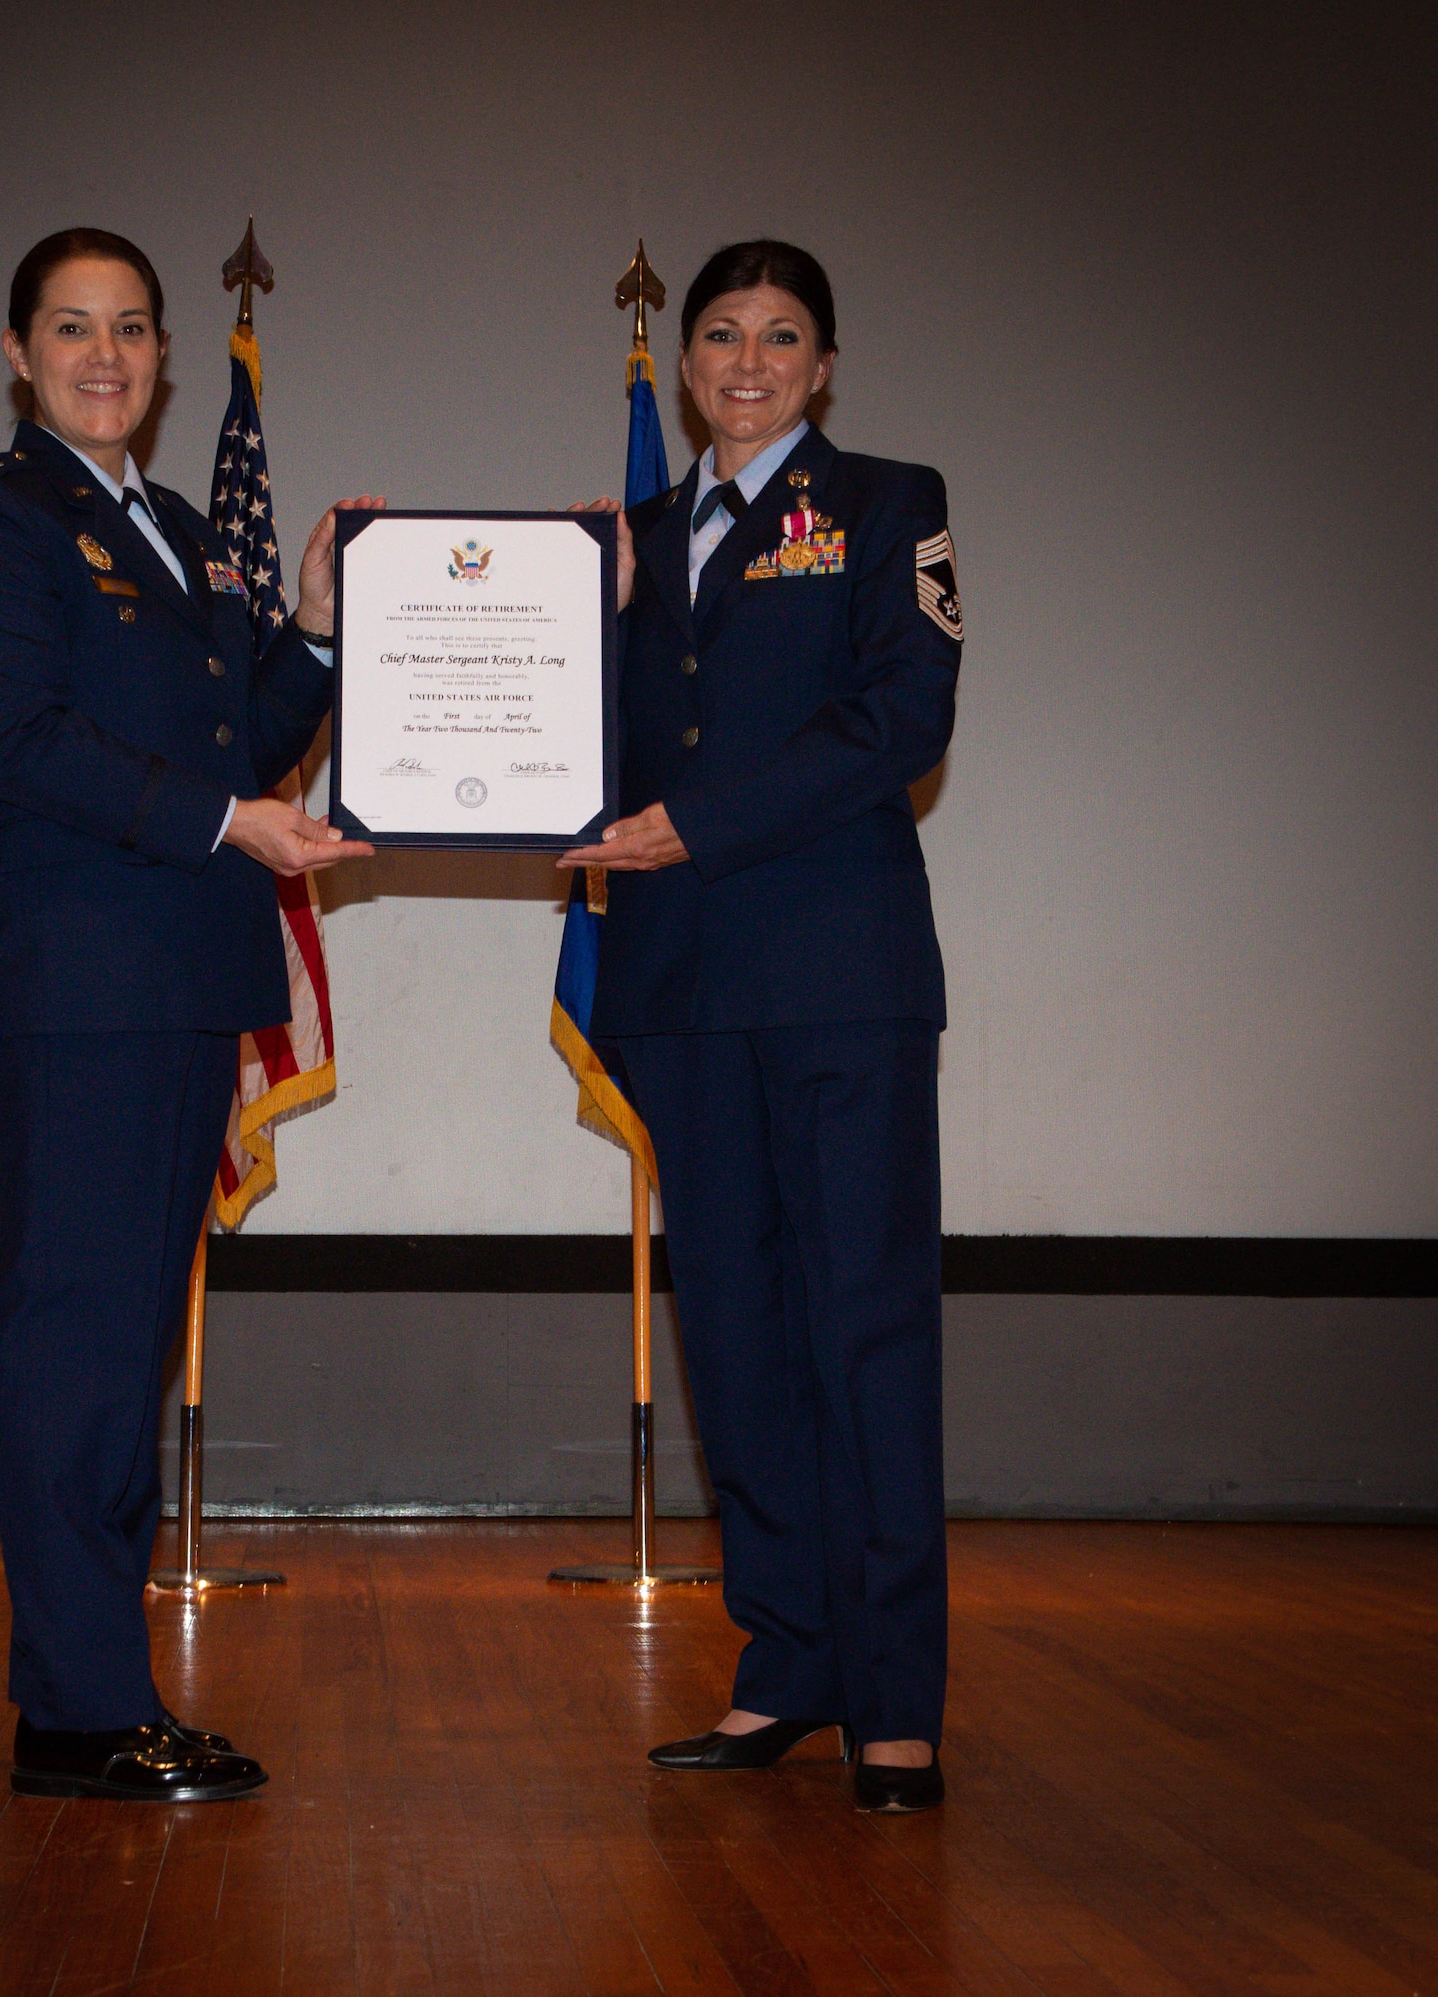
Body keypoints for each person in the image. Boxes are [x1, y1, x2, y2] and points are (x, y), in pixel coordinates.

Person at [0, 228, 377, 1802]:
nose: (103, 355)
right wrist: (228, 824)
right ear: (16, 348)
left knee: (123, 1347)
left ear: (167, 356)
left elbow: (246, 728)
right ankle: (75, 1707)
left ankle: (102, 1686)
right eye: (70, 327)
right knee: (81, 1345)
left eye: (130, 329)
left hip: (183, 983)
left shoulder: (178, 527)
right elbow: (19, 734)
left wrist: (313, 625)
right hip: (78, 985)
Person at [563, 238, 962, 1812]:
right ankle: (788, 1660)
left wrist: (694, 827)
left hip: (840, 979)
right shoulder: (631, 538)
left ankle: (894, 1695)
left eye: (779, 336)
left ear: (825, 363)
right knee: (732, 1335)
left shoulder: (888, 505)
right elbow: (565, 724)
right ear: (686, 361)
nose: (744, 361)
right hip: (677, 994)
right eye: (720, 334)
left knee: (864, 1331)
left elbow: (901, 721)